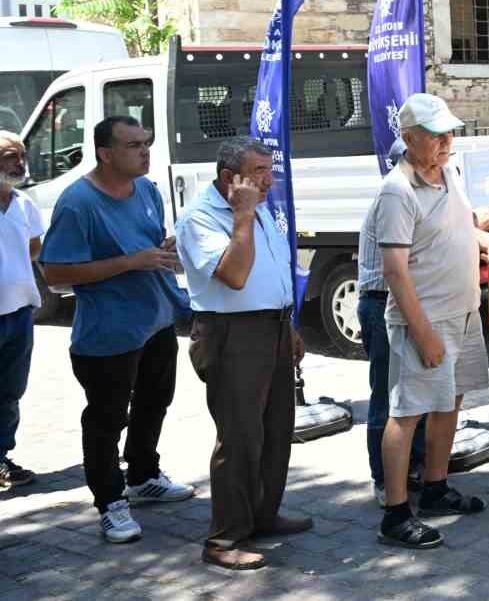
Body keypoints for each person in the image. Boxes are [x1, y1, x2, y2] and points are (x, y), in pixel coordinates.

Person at [38, 116, 195, 544]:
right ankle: (110, 503)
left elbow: (150, 246)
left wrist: (165, 250)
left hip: (156, 320)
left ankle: (143, 477)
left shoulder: (147, 189)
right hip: (107, 335)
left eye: (146, 142)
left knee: (154, 403)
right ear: (105, 154)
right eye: (133, 145)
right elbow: (55, 273)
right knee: (107, 420)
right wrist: (129, 262)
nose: (144, 152)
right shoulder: (78, 203)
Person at [174, 138, 313, 570]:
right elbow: (234, 276)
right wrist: (243, 215)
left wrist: (288, 326)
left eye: (269, 170)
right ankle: (224, 538)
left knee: (275, 429)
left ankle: (263, 515)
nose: (268, 180)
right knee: (239, 438)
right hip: (232, 333)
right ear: (228, 177)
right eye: (258, 172)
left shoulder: (256, 209)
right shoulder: (203, 217)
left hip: (272, 327)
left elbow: (269, 272)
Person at [373, 94, 489, 549]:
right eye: (435, 135)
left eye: (449, 133)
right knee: (407, 413)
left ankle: (436, 487)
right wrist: (423, 333)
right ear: (409, 139)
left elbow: (459, 225)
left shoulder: (450, 173)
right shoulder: (397, 191)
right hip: (425, 319)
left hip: (462, 311)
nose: (446, 141)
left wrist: (482, 240)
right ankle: (395, 514)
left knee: (450, 402)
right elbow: (394, 271)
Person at [357, 139, 428, 506]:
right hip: (383, 303)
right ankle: (385, 479)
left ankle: (411, 469)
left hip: (406, 302)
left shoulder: (414, 197)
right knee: (389, 398)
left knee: (416, 395)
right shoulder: (394, 197)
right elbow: (399, 267)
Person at [0, 130, 41, 493]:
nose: (19, 163)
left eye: (22, 155)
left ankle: (1, 458)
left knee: (11, 390)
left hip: (19, 312)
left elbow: (33, 248)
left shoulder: (24, 204)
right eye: (10, 156)